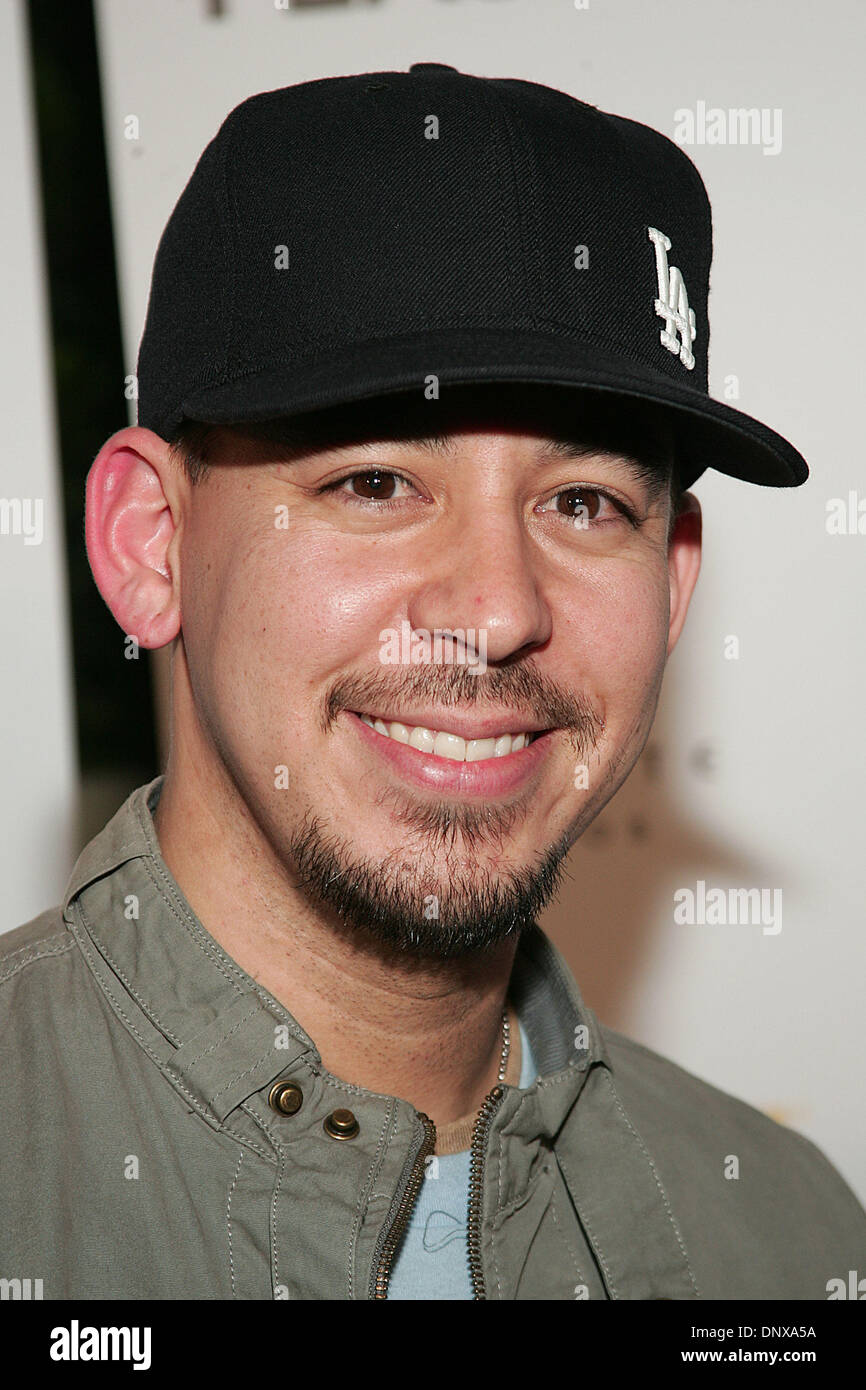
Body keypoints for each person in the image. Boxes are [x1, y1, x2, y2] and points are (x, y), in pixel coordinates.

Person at [2, 63, 863, 1302]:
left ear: (672, 585)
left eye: (584, 503)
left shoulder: (790, 1241)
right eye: (374, 483)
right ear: (152, 543)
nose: (499, 610)